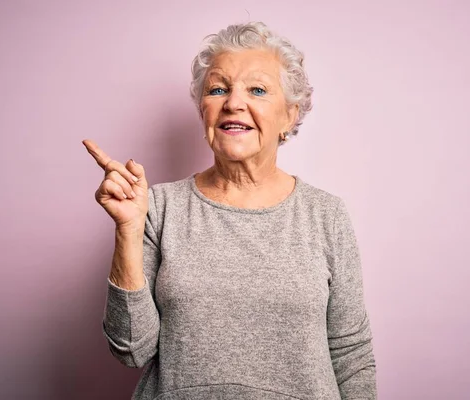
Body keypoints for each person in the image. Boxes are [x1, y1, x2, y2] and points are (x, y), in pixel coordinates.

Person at [83, 21, 376, 400]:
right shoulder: (159, 207)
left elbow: (352, 355)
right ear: (204, 111)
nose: (233, 103)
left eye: (257, 90)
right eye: (218, 89)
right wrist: (127, 230)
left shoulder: (326, 215)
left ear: (289, 115)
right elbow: (131, 349)